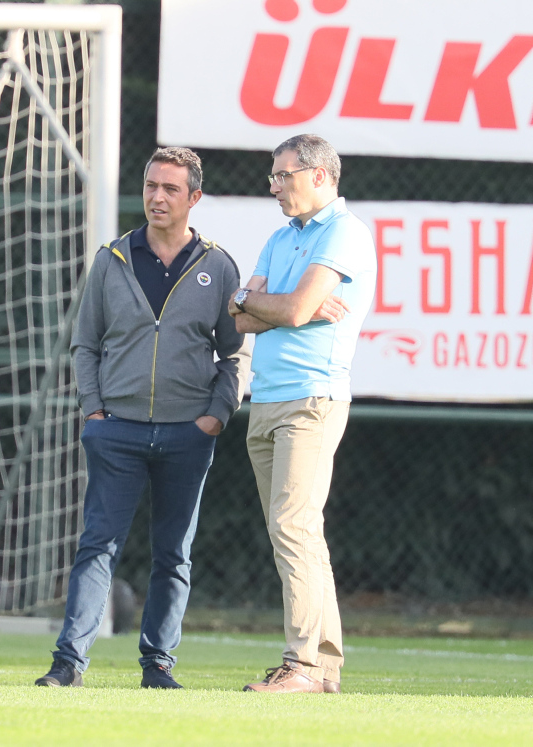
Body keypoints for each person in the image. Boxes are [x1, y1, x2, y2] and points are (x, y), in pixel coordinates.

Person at [36, 147, 251, 689]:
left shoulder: (218, 266)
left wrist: (216, 415)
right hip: (116, 429)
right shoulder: (112, 259)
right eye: (151, 185)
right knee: (97, 546)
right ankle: (68, 664)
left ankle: (158, 665)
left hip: (188, 433)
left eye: (170, 189)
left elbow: (236, 352)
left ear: (194, 197)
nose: (157, 197)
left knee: (173, 554)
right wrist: (94, 411)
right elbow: (85, 343)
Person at [229, 134, 376, 694]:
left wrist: (273, 304)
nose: (273, 186)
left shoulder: (345, 231)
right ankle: (323, 666)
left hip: (312, 399)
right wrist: (270, 305)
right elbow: (241, 317)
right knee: (293, 531)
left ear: (319, 176)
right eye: (273, 176)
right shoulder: (280, 237)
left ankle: (306, 666)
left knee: (294, 528)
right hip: (266, 399)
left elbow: (287, 309)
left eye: (282, 175)